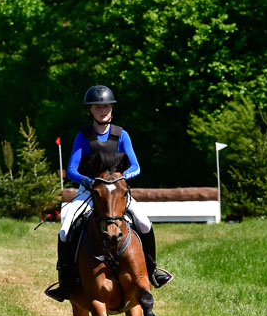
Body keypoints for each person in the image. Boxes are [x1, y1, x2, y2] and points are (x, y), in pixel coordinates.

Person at [47, 84, 173, 302]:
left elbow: (136, 166)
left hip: (116, 192)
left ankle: (152, 271)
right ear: (90, 111)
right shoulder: (83, 136)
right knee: (66, 228)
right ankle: (65, 281)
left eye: (106, 107)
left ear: (112, 109)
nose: (103, 111)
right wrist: (88, 181)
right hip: (89, 191)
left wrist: (120, 179)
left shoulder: (121, 134)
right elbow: (71, 170)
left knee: (144, 222)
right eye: (97, 107)